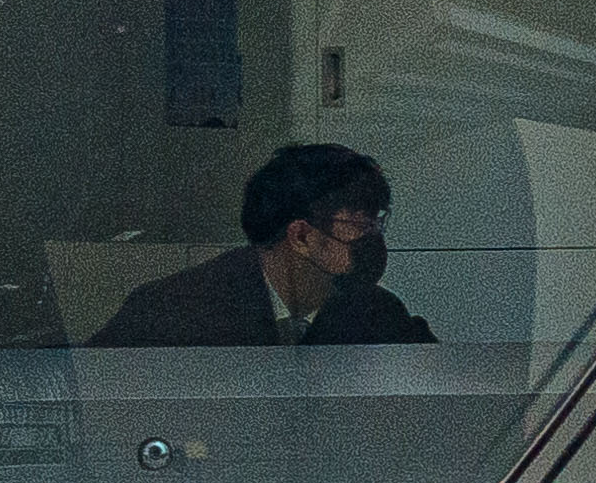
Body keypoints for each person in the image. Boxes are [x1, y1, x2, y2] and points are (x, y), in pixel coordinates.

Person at [93, 142, 436, 348]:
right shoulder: (173, 311)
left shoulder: (378, 314)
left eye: (376, 221)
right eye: (357, 225)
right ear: (300, 236)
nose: (372, 237)